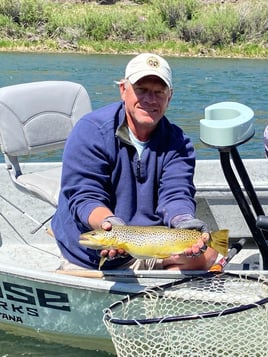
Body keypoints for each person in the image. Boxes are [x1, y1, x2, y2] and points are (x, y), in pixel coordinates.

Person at [51, 53, 218, 271]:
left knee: (210, 251)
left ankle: (155, 298)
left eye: (159, 92)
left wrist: (184, 221)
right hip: (92, 250)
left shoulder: (179, 143)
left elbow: (176, 194)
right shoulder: (90, 131)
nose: (150, 100)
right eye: (142, 90)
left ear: (170, 97)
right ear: (123, 89)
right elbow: (85, 197)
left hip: (149, 243)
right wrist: (110, 226)